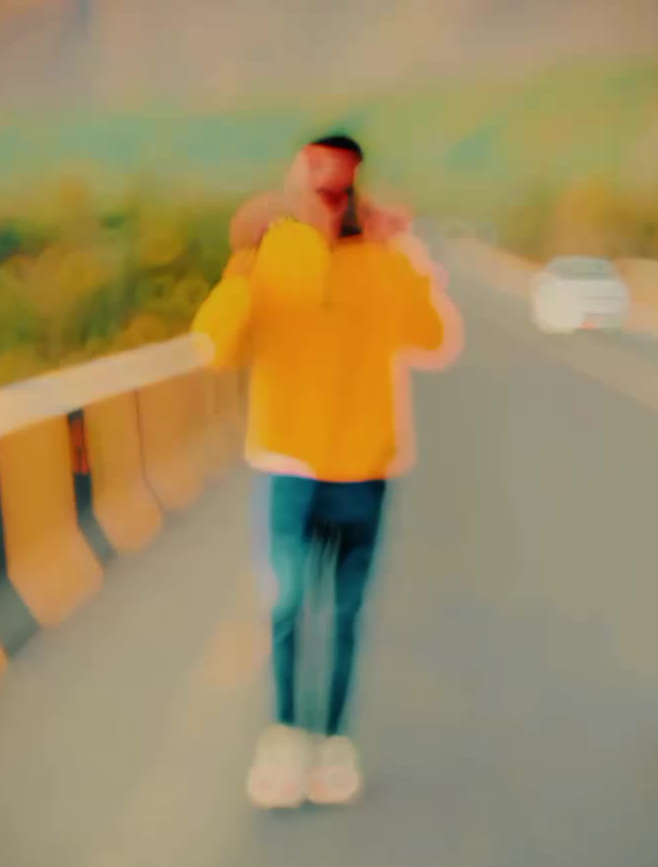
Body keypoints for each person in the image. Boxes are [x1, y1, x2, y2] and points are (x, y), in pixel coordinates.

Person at [191, 135, 462, 808]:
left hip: (364, 466)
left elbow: (433, 338)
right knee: (286, 605)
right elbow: (216, 345)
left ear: (355, 189)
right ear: (294, 186)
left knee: (344, 613)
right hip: (288, 460)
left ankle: (334, 743)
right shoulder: (273, 251)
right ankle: (285, 736)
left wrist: (405, 252)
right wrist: (245, 259)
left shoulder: (383, 258)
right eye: (315, 179)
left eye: (340, 184)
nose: (329, 195)